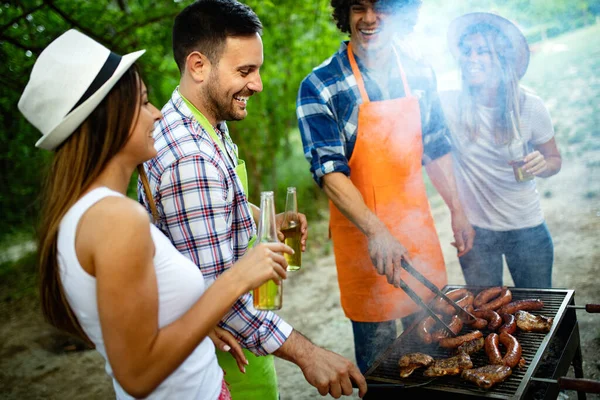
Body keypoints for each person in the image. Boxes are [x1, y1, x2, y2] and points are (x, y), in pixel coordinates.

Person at [18, 29, 294, 400]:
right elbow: (138, 373)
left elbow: (134, 327)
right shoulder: (116, 219)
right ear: (108, 120)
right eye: (144, 102)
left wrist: (194, 327)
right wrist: (238, 278)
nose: (157, 113)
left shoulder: (86, 214)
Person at [137, 0, 367, 399]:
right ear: (198, 66)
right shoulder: (190, 157)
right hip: (225, 364)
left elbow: (219, 203)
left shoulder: (205, 122)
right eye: (245, 71)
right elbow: (216, 297)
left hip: (243, 340)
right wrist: (308, 353)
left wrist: (261, 219)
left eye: (256, 69)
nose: (257, 84)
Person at [296, 0, 475, 374]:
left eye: (383, 8)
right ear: (344, 12)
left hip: (417, 238)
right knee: (383, 371)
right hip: (365, 248)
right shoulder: (320, 85)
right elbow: (329, 172)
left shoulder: (420, 73)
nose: (371, 19)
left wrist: (458, 210)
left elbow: (437, 147)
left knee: (435, 353)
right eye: (359, 7)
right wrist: (377, 230)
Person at [440, 12, 562, 288]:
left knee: (537, 313)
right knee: (485, 316)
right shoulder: (449, 105)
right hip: (476, 234)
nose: (472, 58)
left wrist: (543, 164)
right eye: (467, 51)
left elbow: (555, 159)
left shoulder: (529, 105)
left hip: (527, 230)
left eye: (482, 51)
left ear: (502, 58)